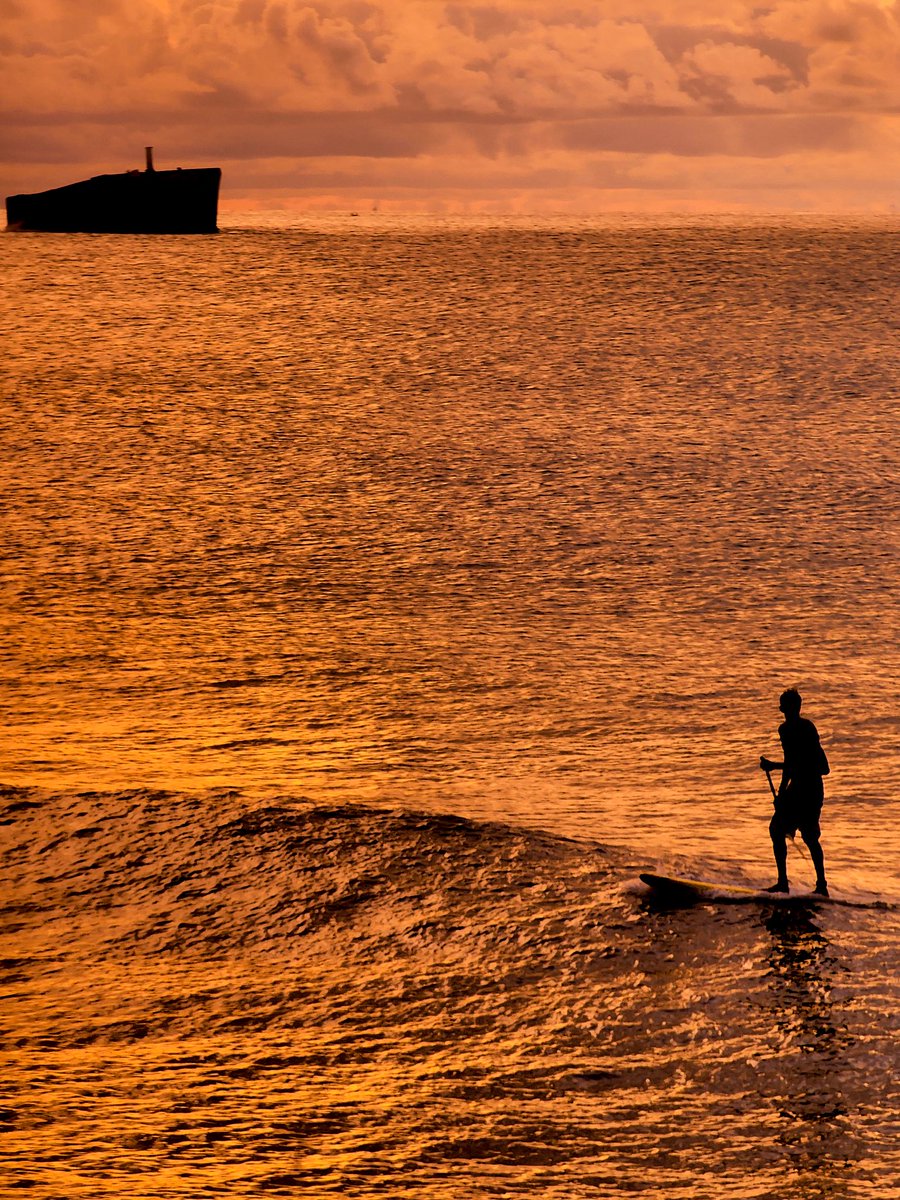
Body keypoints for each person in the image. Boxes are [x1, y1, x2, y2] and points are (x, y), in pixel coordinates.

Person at [759, 688, 830, 896]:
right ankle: (782, 883)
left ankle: (822, 886)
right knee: (776, 829)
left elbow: (814, 765)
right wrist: (781, 795)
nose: (784, 711)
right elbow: (790, 763)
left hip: (811, 789)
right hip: (796, 787)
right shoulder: (784, 730)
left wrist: (774, 765)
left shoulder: (807, 728)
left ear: (795, 707)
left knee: (809, 837)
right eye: (782, 708)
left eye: (786, 707)